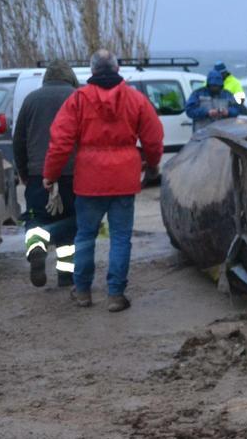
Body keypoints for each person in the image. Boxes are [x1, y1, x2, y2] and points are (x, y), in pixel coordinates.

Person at [43, 50, 163, 312]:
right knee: (120, 237)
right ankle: (115, 295)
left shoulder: (78, 100)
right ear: (117, 69)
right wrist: (152, 166)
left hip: (89, 180)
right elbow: (153, 138)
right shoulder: (136, 99)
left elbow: (60, 142)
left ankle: (83, 291)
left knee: (85, 236)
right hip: (124, 179)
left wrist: (50, 175)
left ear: (92, 71)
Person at [13, 60, 79, 288]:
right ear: (70, 78)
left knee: (35, 219)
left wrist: (23, 172)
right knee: (70, 224)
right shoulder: (78, 97)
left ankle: (37, 248)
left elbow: (19, 141)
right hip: (73, 175)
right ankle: (65, 276)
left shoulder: (31, 100)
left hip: (37, 175)